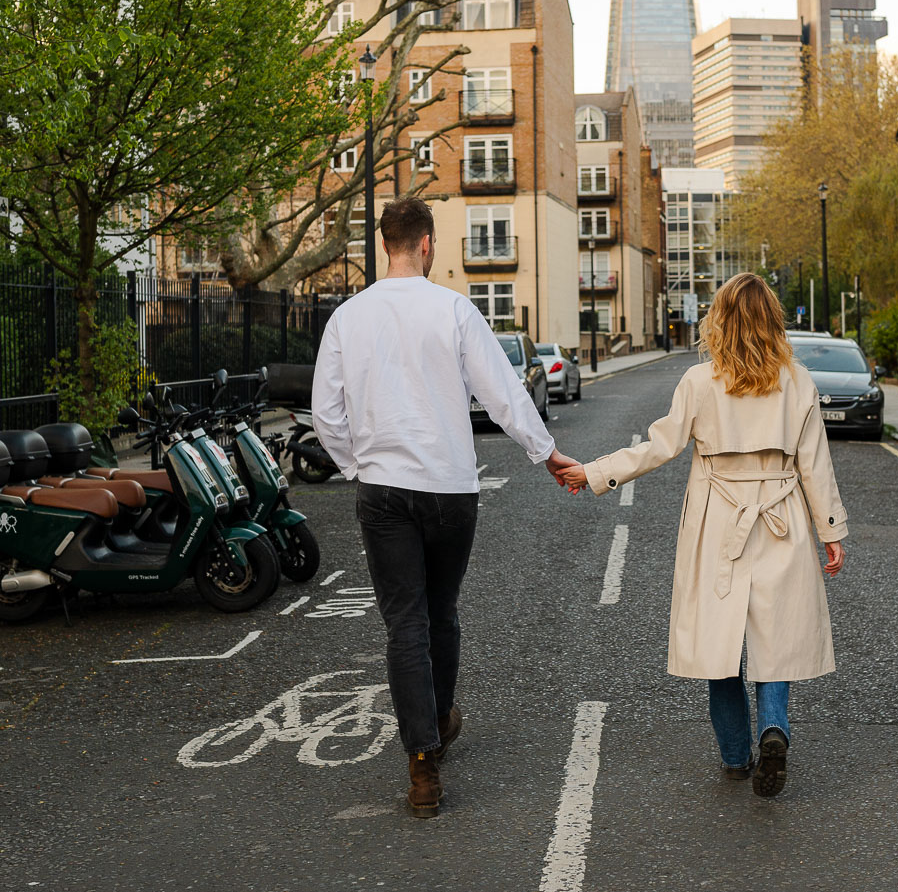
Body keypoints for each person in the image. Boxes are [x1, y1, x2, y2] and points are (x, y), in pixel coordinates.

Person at [312, 196, 577, 817]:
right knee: (440, 610)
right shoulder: (455, 310)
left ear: (387, 245)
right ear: (426, 245)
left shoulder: (348, 318)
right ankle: (439, 718)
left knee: (404, 621)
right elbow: (503, 393)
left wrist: (357, 464)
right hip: (452, 487)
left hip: (384, 491)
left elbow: (327, 413)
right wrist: (547, 454)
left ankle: (423, 762)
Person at [561, 273, 847, 797]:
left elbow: (659, 447)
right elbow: (815, 463)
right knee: (776, 639)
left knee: (719, 647)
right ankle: (773, 729)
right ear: (772, 320)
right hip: (781, 516)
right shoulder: (798, 380)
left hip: (719, 520)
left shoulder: (699, 382)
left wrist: (594, 472)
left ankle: (737, 759)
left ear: (719, 320)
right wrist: (830, 528)